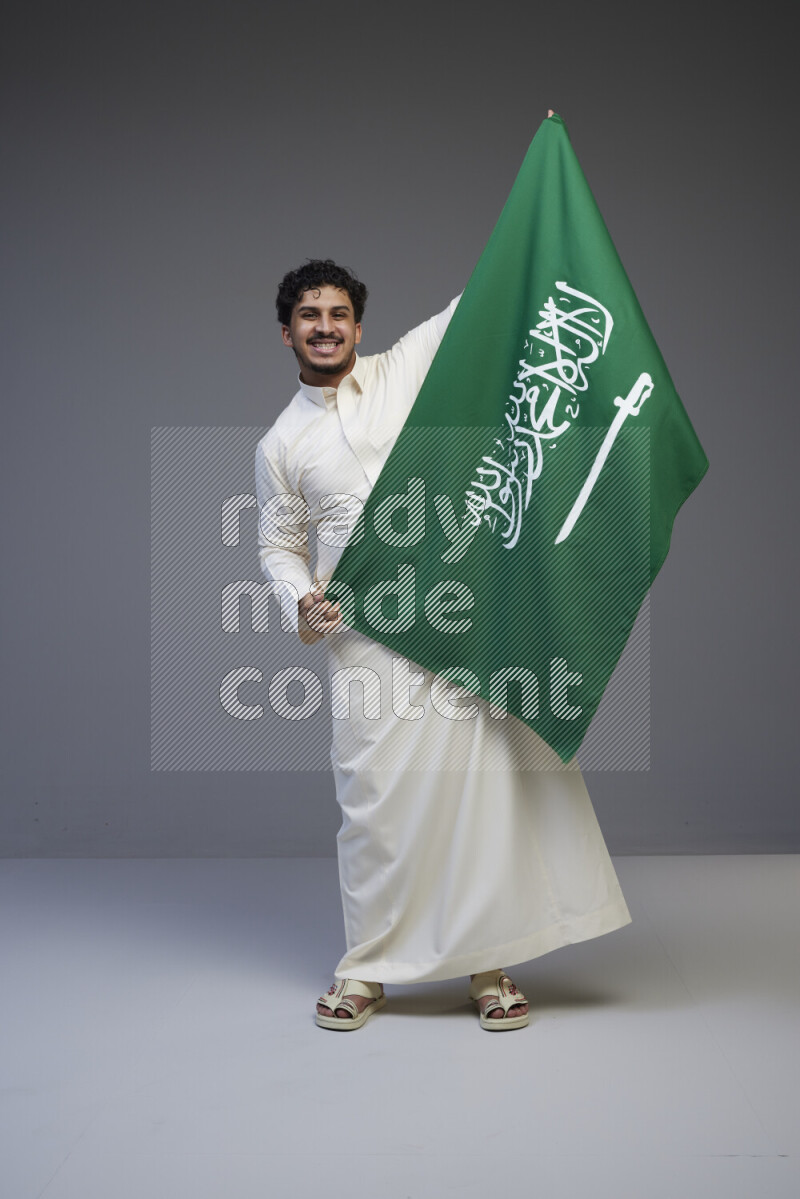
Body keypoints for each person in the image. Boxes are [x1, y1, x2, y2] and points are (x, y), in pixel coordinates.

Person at [255, 256, 632, 1032]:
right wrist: (301, 598)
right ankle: (367, 969)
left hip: (458, 612)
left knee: (480, 793)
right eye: (308, 315)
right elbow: (277, 545)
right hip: (363, 631)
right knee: (375, 805)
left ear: (359, 326)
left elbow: (484, 300)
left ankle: (486, 964)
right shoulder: (279, 443)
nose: (324, 327)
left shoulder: (406, 368)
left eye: (337, 314)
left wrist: (541, 196)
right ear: (286, 331)